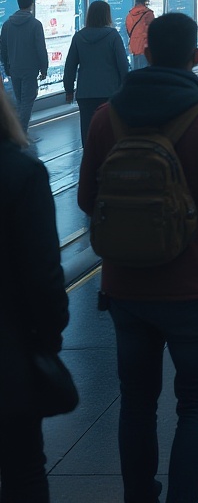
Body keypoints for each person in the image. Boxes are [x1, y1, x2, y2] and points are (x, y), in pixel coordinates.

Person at [77, 13, 198, 503]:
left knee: (136, 402)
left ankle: (139, 495)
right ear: (195, 57)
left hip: (126, 289)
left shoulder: (106, 118)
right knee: (197, 403)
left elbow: (87, 200)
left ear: (146, 52)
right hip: (193, 286)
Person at [0, 84, 70, 502]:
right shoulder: (22, 173)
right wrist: (46, 344)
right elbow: (44, 278)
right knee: (24, 471)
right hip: (8, 360)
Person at [63, 0, 130, 146]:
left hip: (85, 93)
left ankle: (90, 162)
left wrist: (68, 89)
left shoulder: (79, 37)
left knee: (88, 132)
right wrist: (126, 88)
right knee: (110, 132)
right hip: (110, 92)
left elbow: (70, 66)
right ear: (107, 15)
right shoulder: (113, 36)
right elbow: (123, 65)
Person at [0, 0, 48, 136]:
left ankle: (17, 132)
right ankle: (19, 134)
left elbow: (3, 48)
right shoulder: (35, 24)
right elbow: (40, 48)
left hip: (14, 68)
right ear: (31, 5)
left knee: (20, 101)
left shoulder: (7, 25)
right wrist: (44, 68)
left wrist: (7, 67)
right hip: (30, 69)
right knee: (27, 101)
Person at [125, 0, 155, 71]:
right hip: (145, 47)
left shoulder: (129, 15)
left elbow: (129, 31)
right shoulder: (148, 14)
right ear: (145, 2)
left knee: (136, 70)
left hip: (134, 46)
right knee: (146, 72)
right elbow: (153, 30)